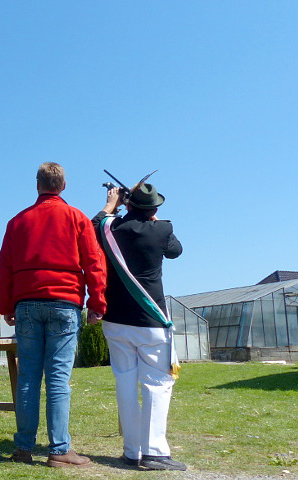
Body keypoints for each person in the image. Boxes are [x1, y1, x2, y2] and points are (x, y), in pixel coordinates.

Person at [0, 162, 107, 468]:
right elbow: (94, 263)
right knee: (58, 379)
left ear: (37, 185)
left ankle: (23, 449)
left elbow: (4, 268)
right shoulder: (77, 218)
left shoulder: (17, 222)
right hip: (64, 302)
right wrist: (97, 302)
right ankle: (59, 450)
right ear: (63, 186)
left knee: (28, 379)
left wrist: (6, 307)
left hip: (27, 304)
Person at [90, 182, 186, 471]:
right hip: (151, 320)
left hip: (116, 319)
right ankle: (154, 451)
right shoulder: (162, 229)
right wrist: (151, 218)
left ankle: (132, 451)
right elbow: (176, 251)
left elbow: (95, 225)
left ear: (128, 204)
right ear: (155, 208)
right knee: (158, 384)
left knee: (125, 384)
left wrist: (111, 205)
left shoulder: (112, 229)